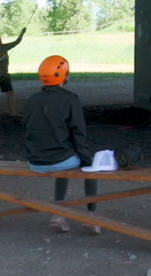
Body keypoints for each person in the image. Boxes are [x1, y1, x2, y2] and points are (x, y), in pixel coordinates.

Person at [23, 55, 101, 235]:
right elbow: (79, 134)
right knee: (85, 166)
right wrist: (87, 159)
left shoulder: (33, 99)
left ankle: (58, 216)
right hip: (60, 160)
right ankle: (91, 216)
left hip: (35, 162)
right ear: (64, 76)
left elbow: (26, 127)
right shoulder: (70, 99)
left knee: (63, 160)